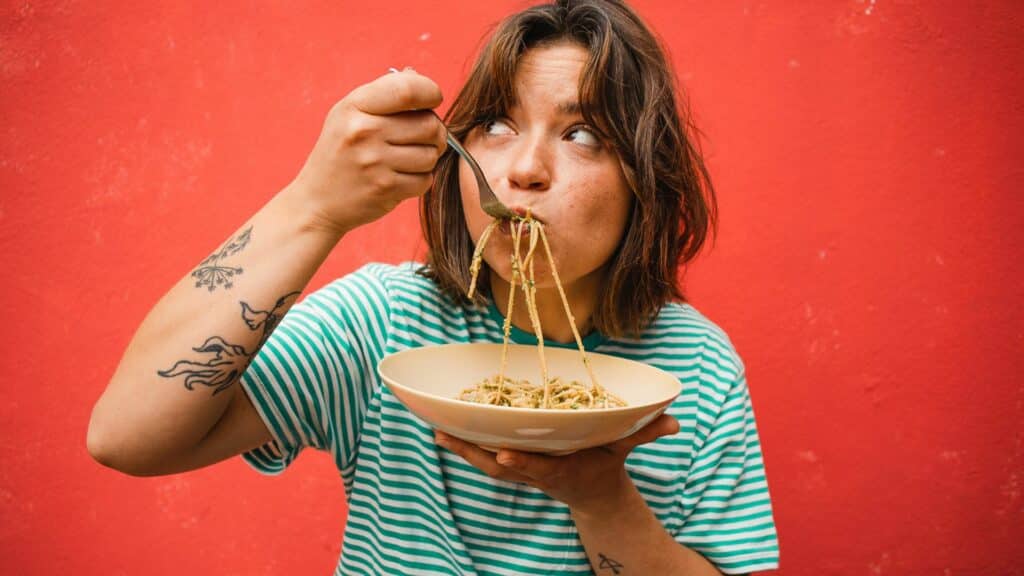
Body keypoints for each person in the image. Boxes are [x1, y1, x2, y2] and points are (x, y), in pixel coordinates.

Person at [87, 0, 780, 573]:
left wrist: (600, 495)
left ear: (645, 181)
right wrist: (312, 207)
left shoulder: (697, 365)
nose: (525, 170)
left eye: (583, 135)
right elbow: (126, 437)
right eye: (499, 126)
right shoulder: (384, 321)